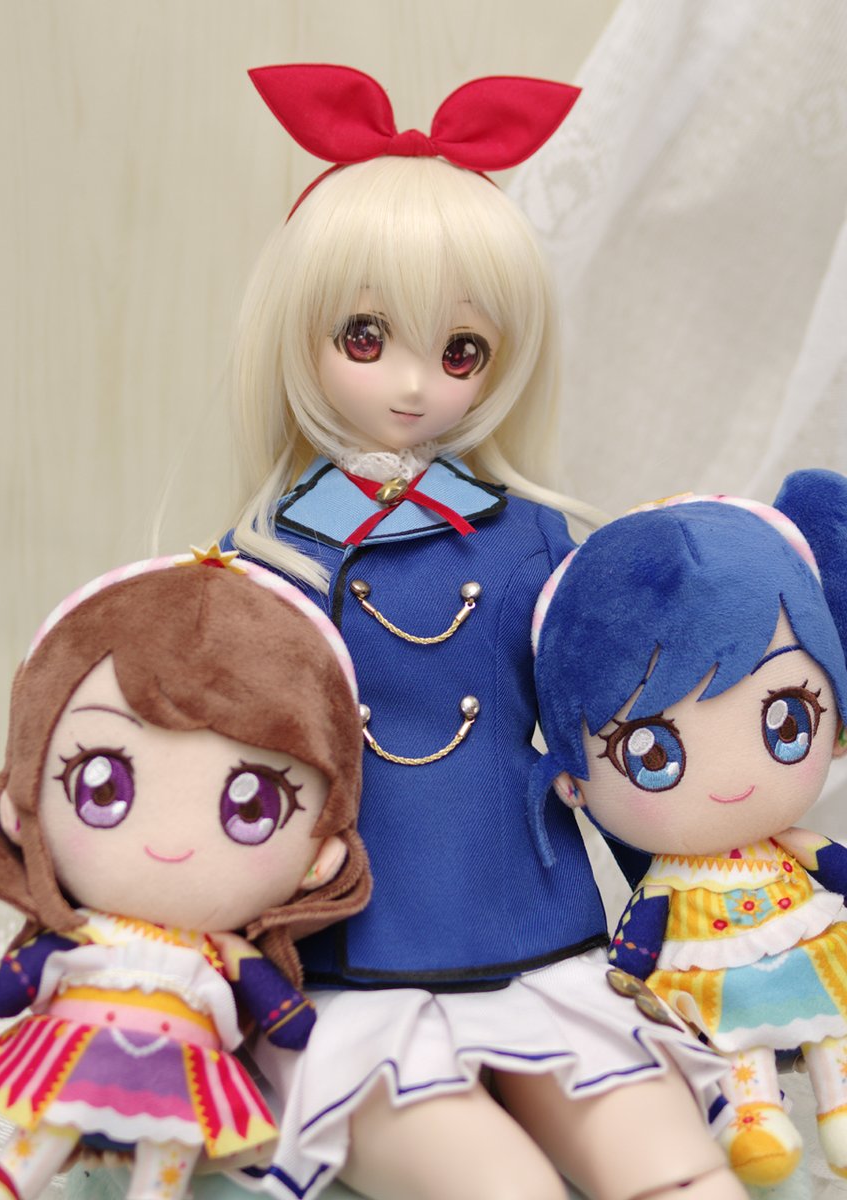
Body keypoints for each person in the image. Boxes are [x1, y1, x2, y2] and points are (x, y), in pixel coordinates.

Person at [222, 64, 743, 1200]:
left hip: (535, 925)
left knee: (673, 1166)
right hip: (351, 960)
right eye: (365, 335)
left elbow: (614, 730)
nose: (414, 385)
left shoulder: (539, 540)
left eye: (460, 352)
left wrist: (687, 870)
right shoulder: (266, 559)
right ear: (298, 332)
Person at [0, 547, 370, 1200]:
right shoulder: (81, 936)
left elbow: (284, 1015)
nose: (169, 842)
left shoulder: (221, 951)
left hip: (181, 1077)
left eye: (251, 808)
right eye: (103, 786)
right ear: (19, 803)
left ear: (323, 857)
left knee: (165, 1166)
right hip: (73, 1054)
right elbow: (16, 983)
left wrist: (288, 1017)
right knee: (37, 1144)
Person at [532, 471, 847, 1187]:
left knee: (834, 1032)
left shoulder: (791, 846)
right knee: (735, 1053)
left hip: (806, 952)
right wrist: (625, 983)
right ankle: (755, 1118)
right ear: (573, 779)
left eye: (786, 721)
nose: (732, 782)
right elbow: (636, 947)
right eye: (653, 755)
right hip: (714, 987)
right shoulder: (666, 882)